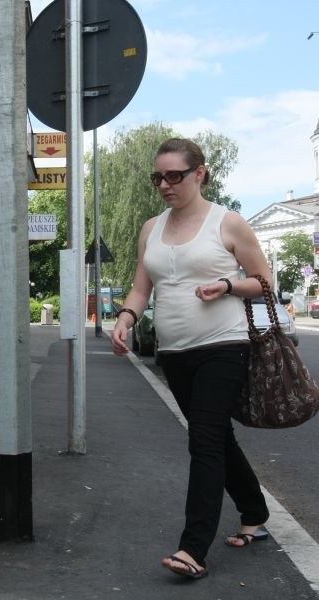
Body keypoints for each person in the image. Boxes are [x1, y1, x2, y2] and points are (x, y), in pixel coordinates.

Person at [110, 138, 272, 580]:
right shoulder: (151, 228)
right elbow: (142, 287)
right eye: (158, 177)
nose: (164, 184)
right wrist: (125, 318)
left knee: (202, 442)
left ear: (199, 173)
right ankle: (255, 513)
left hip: (224, 344)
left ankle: (192, 549)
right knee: (217, 437)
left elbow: (264, 282)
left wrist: (226, 284)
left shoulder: (228, 223)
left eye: (174, 175)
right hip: (174, 352)